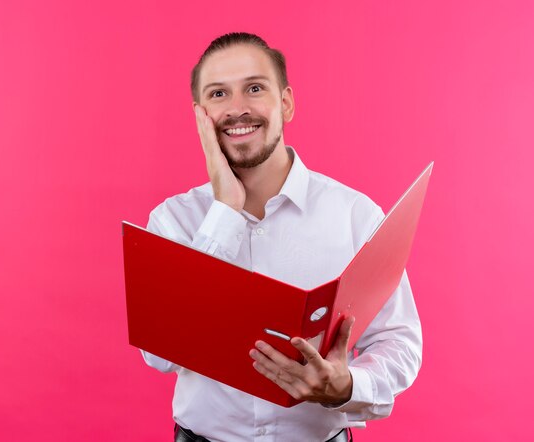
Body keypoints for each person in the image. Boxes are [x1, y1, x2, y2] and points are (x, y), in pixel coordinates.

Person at [141, 32, 422, 442]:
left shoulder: (355, 215)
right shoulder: (171, 222)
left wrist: (346, 386)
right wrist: (225, 211)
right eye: (218, 94)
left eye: (254, 88)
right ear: (200, 115)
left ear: (286, 103)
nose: (238, 109)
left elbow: (399, 340)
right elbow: (159, 354)